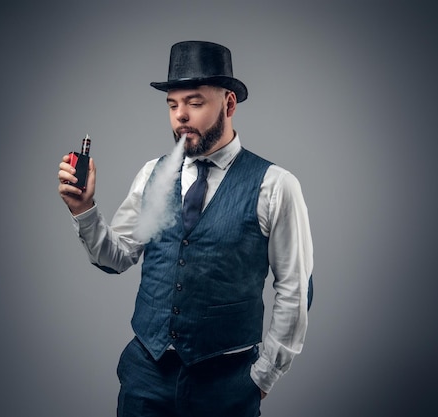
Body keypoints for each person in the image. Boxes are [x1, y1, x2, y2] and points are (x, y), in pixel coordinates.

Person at [58, 40, 313, 417]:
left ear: (228, 104)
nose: (180, 116)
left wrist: (263, 377)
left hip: (227, 384)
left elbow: (295, 288)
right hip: (145, 376)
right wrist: (84, 209)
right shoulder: (151, 174)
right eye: (173, 105)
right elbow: (116, 257)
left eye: (194, 103)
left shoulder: (275, 185)